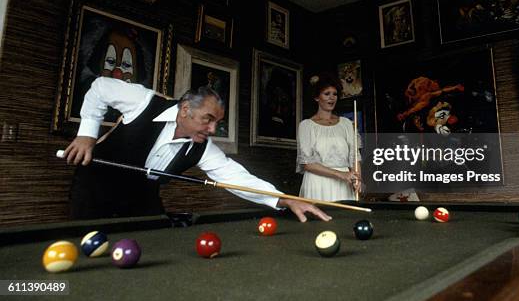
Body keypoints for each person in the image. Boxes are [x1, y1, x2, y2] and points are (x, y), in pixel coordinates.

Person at [61, 76, 331, 222]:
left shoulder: (203, 149)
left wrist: (284, 198)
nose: (213, 130)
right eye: (208, 120)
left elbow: (237, 178)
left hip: (141, 199)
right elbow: (100, 87)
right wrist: (86, 135)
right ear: (186, 110)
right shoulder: (144, 101)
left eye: (217, 122)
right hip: (94, 188)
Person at [296, 72, 361, 201]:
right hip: (317, 183)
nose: (331, 98)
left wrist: (358, 178)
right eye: (327, 94)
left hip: (344, 183)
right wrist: (341, 174)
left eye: (335, 94)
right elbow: (307, 164)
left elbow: (355, 156)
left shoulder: (346, 124)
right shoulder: (306, 125)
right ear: (316, 98)